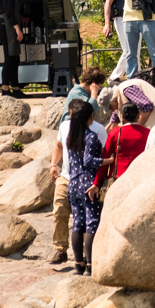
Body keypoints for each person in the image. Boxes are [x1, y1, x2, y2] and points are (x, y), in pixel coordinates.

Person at [48, 99, 109, 264]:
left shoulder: (98, 130)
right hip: (66, 176)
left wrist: (98, 181)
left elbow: (103, 153)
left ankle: (84, 257)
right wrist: (53, 164)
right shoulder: (64, 126)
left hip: (89, 181)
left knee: (83, 219)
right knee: (59, 211)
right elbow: (59, 145)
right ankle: (60, 249)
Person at [66, 100, 113, 276]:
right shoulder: (91, 136)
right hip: (88, 184)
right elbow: (89, 160)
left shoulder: (70, 136)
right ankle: (90, 265)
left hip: (73, 184)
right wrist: (109, 160)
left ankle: (78, 263)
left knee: (77, 223)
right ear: (90, 117)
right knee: (92, 223)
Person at [93, 103, 150, 191]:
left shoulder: (115, 132)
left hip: (118, 179)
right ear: (139, 116)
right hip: (141, 178)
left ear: (122, 117)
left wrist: (96, 183)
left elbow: (105, 158)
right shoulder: (148, 133)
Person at [103, 0, 141, 84]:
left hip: (135, 17)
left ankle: (137, 79)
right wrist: (107, 24)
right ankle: (114, 78)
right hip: (121, 19)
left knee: (136, 52)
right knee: (129, 50)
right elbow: (108, 3)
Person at [0, 0, 25, 99]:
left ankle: (16, 88)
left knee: (15, 59)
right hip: (7, 29)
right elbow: (9, 12)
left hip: (7, 28)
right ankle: (5, 89)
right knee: (9, 59)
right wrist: (17, 29)